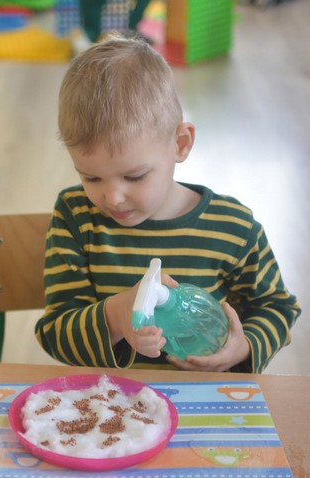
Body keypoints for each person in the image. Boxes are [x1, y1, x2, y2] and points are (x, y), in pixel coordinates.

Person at [35, 35, 300, 373]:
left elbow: (277, 307)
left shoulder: (233, 227)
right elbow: (55, 333)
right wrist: (116, 316)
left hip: (205, 395)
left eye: (134, 176)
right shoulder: (76, 216)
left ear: (180, 143)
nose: (112, 197)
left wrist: (244, 345)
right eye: (91, 178)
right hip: (112, 397)